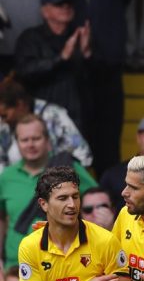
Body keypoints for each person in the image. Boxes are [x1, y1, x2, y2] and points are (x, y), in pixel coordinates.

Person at [37, 0, 143, 177]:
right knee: (71, 150)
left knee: (108, 148)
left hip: (108, 77)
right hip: (72, 79)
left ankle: (107, 204)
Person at [0, 114, 96, 268]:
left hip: (63, 262)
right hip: (15, 265)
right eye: (24, 140)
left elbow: (97, 199)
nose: (30, 144)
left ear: (47, 140)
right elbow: (1, 219)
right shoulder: (6, 177)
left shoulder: (67, 167)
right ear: (16, 143)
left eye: (36, 138)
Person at [14, 0, 91, 129]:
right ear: (45, 11)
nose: (65, 7)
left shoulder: (81, 36)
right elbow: (25, 71)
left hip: (79, 115)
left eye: (69, 3)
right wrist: (61, 58)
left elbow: (95, 79)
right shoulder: (31, 37)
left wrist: (86, 53)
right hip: (42, 114)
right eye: (59, 4)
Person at [0, 80, 92, 171]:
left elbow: (82, 155)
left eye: (4, 115)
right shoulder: (4, 126)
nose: (2, 120)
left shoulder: (52, 115)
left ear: (20, 105)